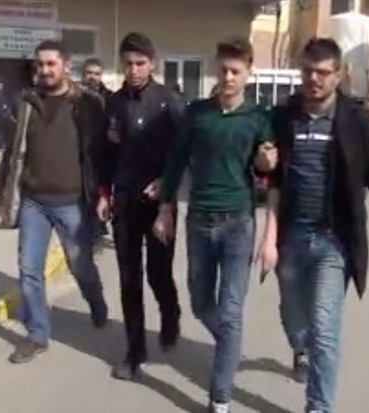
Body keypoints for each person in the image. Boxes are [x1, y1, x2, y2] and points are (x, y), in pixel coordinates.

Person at [257, 37, 369, 413]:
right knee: (295, 318)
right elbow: (268, 173)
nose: (314, 79)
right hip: (292, 235)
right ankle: (300, 346)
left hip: (334, 240)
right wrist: (261, 165)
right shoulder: (284, 116)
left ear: (339, 74)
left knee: (324, 328)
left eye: (323, 73)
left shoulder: (357, 121)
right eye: (308, 71)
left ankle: (319, 406)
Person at [152, 37, 276, 413]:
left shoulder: (258, 117)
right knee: (200, 302)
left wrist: (265, 163)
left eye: (236, 71)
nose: (228, 77)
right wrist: (165, 208)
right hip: (200, 221)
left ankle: (219, 398)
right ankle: (230, 344)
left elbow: (268, 168)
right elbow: (176, 161)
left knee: (231, 309)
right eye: (223, 70)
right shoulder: (197, 114)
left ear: (249, 73)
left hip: (238, 222)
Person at [0, 39, 108, 364]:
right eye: (40, 65)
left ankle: (96, 300)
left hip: (72, 202)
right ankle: (38, 334)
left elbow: (100, 154)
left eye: (50, 64)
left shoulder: (87, 104)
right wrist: (5, 192)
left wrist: (103, 193)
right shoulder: (26, 103)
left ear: (65, 66)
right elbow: (13, 152)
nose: (44, 70)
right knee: (29, 269)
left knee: (80, 266)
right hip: (34, 202)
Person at [96, 32, 183, 380]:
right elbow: (104, 154)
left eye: (140, 63)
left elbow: (182, 155)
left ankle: (170, 316)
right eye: (128, 63)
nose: (134, 70)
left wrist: (166, 185)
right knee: (129, 279)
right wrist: (104, 193)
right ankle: (135, 351)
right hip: (125, 203)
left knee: (158, 275)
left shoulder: (169, 102)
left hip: (160, 205)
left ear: (152, 64)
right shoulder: (114, 104)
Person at [80, 57, 113, 241]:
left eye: (96, 74)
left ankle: (97, 227)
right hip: (80, 154)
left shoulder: (110, 98)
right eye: (89, 73)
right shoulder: (74, 96)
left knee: (100, 192)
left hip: (102, 154)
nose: (93, 77)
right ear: (83, 74)